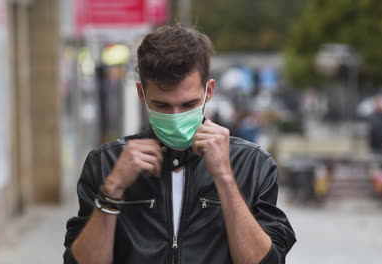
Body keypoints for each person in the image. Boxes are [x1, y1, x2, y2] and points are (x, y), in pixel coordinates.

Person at [63, 25, 296, 264]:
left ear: (209, 91)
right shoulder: (106, 163)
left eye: (188, 105)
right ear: (141, 93)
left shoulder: (252, 164)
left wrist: (225, 177)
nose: (176, 117)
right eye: (162, 106)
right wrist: (111, 192)